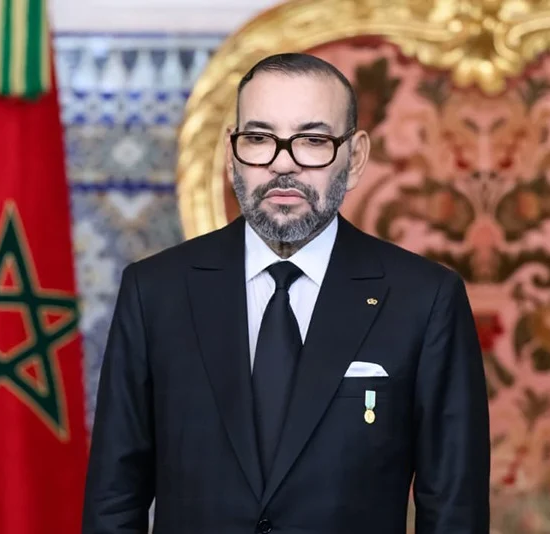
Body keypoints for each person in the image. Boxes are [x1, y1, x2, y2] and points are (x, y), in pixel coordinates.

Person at [82, 52, 490, 534]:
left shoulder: (424, 299)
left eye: (313, 141)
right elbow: (114, 501)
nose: (282, 164)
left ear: (355, 158)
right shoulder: (154, 291)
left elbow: (454, 511)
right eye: (259, 139)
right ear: (232, 152)